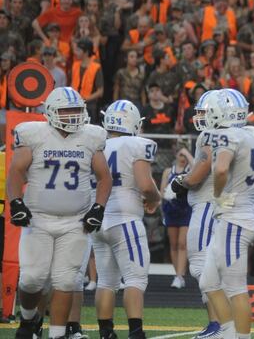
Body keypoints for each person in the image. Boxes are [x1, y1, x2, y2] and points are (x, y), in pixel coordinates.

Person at [8, 87, 112, 339]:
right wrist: (16, 202)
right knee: (32, 279)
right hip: (39, 219)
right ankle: (28, 319)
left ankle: (57, 334)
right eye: (66, 110)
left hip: (76, 222)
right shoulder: (34, 134)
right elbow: (15, 171)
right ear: (51, 111)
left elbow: (104, 177)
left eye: (76, 109)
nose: (72, 115)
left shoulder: (90, 136)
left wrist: (98, 208)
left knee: (66, 281)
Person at [198, 88, 254, 339]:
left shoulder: (228, 136)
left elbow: (220, 170)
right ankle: (227, 332)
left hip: (235, 218)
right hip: (238, 214)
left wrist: (218, 194)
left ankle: (242, 337)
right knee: (208, 281)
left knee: (235, 287)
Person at [94, 100, 160, 339]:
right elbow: (145, 184)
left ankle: (105, 332)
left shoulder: (96, 143)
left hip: (98, 219)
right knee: (135, 278)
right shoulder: (136, 144)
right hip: (125, 218)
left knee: (106, 281)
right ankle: (135, 332)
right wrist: (156, 197)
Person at [167, 90, 221, 338]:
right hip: (219, 205)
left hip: (208, 204)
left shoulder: (211, 137)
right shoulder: (237, 136)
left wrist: (181, 182)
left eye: (204, 112)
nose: (199, 117)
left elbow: (201, 171)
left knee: (201, 266)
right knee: (212, 266)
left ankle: (218, 322)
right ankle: (221, 322)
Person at [160, 144, 192, 289]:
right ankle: (177, 275)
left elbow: (197, 164)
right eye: (181, 155)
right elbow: (162, 191)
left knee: (182, 243)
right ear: (176, 156)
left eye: (185, 155)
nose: (183, 158)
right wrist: (169, 195)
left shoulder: (190, 170)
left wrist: (187, 152)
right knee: (173, 244)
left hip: (185, 209)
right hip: (171, 209)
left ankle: (180, 275)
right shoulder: (168, 171)